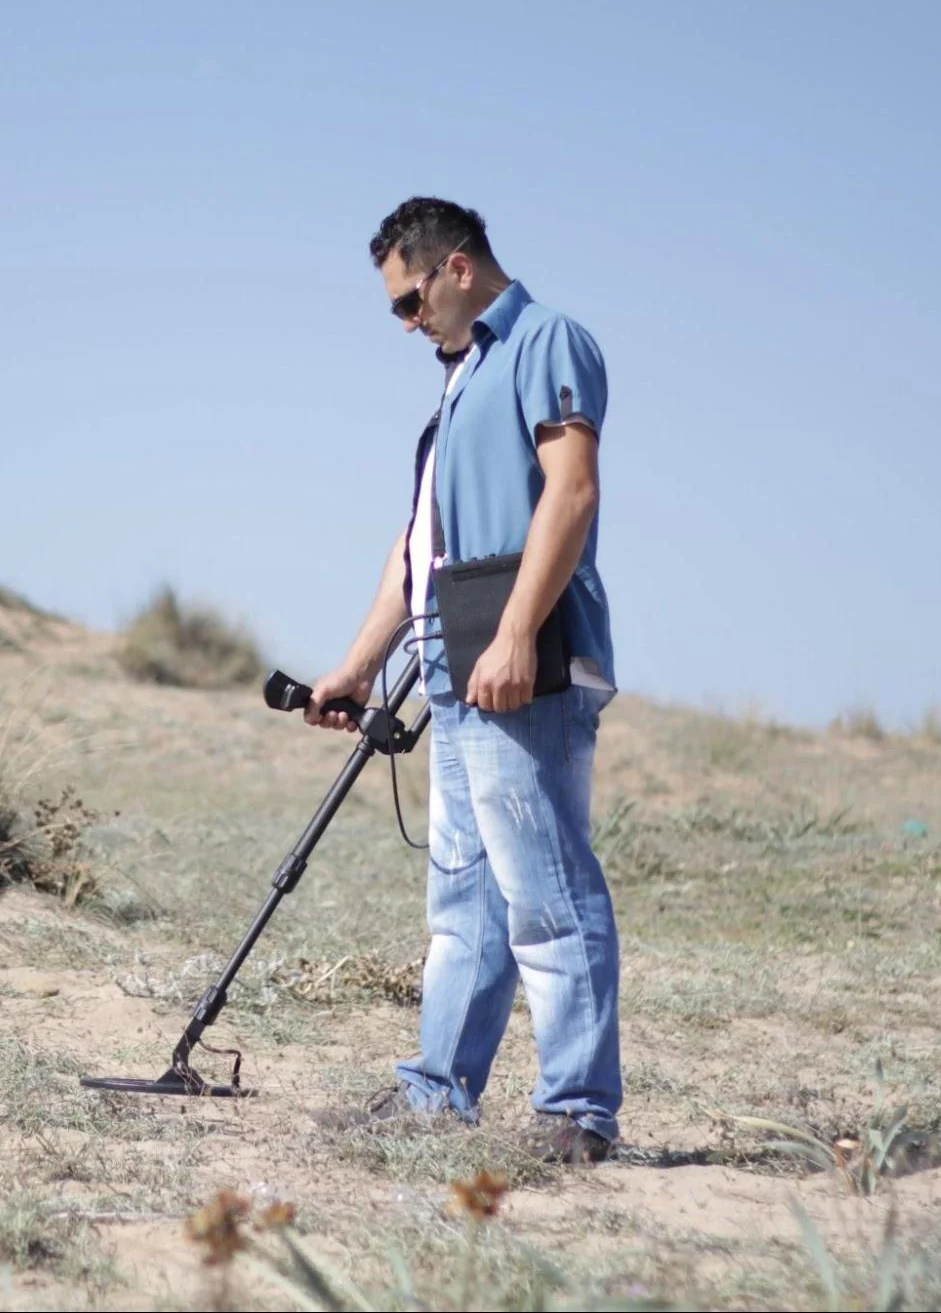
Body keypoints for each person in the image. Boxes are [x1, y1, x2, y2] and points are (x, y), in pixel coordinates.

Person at [304, 197, 620, 1164]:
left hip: (517, 662)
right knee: (464, 903)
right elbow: (418, 547)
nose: (407, 324)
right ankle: (437, 1093)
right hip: (452, 665)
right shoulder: (457, 382)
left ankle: (576, 1111)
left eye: (409, 301)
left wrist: (518, 631)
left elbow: (571, 491)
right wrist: (358, 665)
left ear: (456, 268)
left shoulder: (544, 341)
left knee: (547, 891)